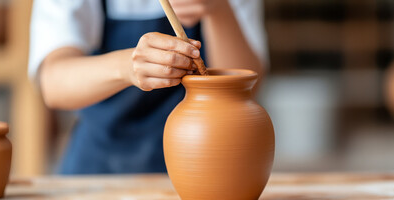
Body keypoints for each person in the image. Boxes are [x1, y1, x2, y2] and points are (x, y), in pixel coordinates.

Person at [29, 0, 268, 174]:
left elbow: (246, 86)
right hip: (98, 167)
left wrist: (218, 10)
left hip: (202, 163)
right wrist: (127, 66)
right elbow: (53, 82)